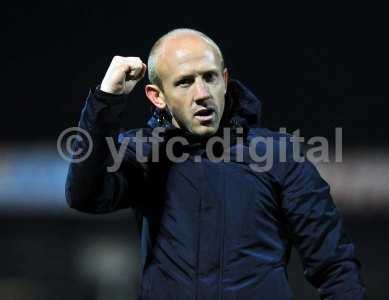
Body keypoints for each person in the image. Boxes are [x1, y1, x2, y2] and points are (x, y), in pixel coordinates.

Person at [65, 28, 366, 300]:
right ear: (157, 96)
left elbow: (335, 266)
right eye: (184, 82)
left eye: (209, 77)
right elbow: (85, 195)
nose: (202, 94)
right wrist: (105, 101)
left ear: (224, 80)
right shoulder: (145, 154)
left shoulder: (279, 155)